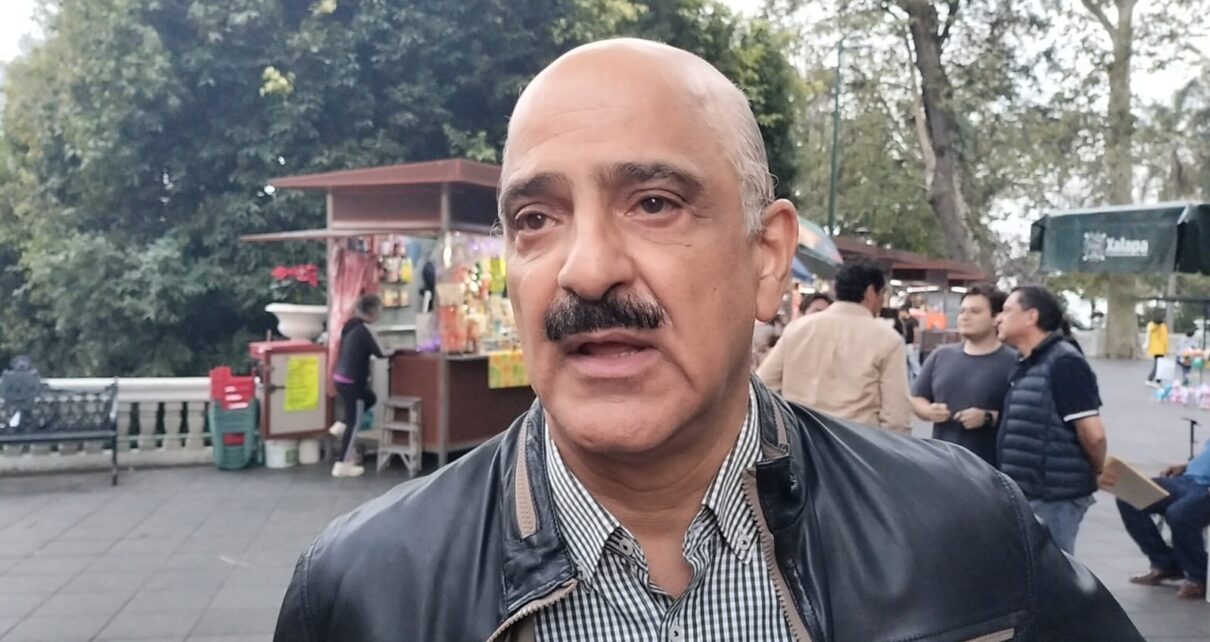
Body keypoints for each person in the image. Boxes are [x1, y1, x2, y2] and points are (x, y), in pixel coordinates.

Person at [275, 39, 1140, 641]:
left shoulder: (961, 532)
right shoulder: (360, 592)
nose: (587, 269)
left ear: (767, 257)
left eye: (654, 203)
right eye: (536, 218)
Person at [996, 285, 1108, 555]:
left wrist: (1098, 469)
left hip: (1054, 497)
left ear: (1031, 317)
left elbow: (1093, 434)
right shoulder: (1026, 362)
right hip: (1026, 492)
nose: (999, 318)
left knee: (1055, 571)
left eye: (1007, 310)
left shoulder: (1065, 363)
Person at [758, 261, 913, 434]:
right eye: (882, 293)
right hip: (856, 442)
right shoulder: (888, 339)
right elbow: (896, 416)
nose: (882, 301)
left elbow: (762, 386)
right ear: (870, 292)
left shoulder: (798, 329)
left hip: (801, 439)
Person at [910, 284, 1016, 465]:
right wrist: (928, 411)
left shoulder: (1014, 362)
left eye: (975, 312)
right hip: (941, 463)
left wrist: (988, 417)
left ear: (995, 318)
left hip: (990, 466)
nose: (965, 317)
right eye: (962, 311)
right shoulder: (941, 355)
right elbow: (916, 398)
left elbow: (1025, 417)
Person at [1099, 445, 1210, 601]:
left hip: (1205, 488)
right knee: (1129, 496)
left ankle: (1199, 575)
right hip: (1187, 480)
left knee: (1179, 514)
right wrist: (1185, 466)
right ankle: (1164, 562)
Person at [328, 293, 390, 478]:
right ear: (372, 311)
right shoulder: (365, 329)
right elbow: (382, 353)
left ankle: (341, 425)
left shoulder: (350, 326)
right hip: (353, 382)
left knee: (369, 398)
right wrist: (395, 351)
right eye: (379, 310)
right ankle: (342, 464)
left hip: (340, 378)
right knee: (354, 423)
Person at [899, 302, 921, 381]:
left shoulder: (913, 320)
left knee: (914, 362)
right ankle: (911, 383)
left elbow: (916, 332)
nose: (900, 314)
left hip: (912, 344)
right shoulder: (904, 321)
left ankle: (920, 378)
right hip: (906, 344)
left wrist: (915, 343)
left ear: (905, 312)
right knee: (908, 364)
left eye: (900, 312)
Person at [1146, 311, 1169, 385]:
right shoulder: (1162, 327)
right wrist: (1166, 350)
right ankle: (1151, 379)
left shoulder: (1151, 325)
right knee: (1159, 365)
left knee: (1159, 365)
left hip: (1154, 349)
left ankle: (1158, 380)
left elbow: (1149, 333)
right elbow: (1164, 340)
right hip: (1160, 349)